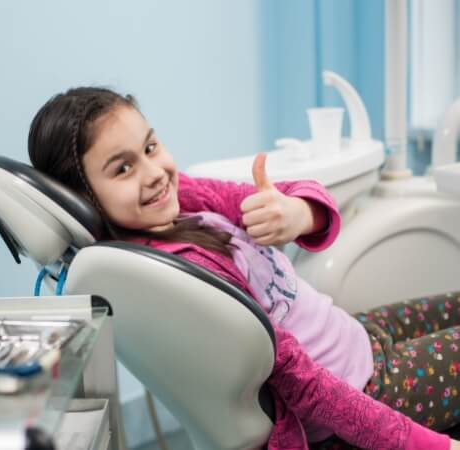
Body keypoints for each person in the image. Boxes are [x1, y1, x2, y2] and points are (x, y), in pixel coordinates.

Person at [27, 86, 460, 450]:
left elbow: (284, 194)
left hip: (354, 337)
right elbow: (307, 388)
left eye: (150, 147)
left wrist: (298, 213)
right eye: (123, 168)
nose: (155, 172)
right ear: (86, 198)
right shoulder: (190, 273)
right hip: (363, 389)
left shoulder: (183, 202)